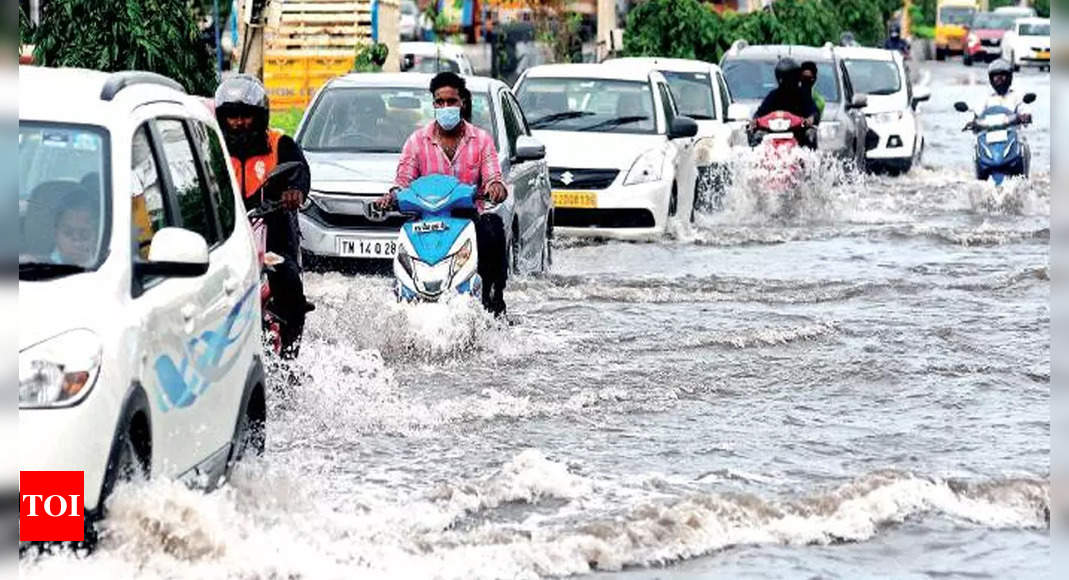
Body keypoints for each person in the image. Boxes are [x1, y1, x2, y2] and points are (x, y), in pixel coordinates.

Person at [375, 72, 510, 316]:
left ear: (462, 103)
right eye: (440, 102)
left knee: (494, 227)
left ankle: (494, 299)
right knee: (402, 256)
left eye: (451, 102)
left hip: (467, 222)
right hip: (424, 223)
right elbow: (402, 181)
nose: (445, 107)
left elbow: (493, 178)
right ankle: (402, 300)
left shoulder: (481, 141)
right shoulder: (416, 142)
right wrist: (390, 197)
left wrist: (495, 188)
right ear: (434, 104)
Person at [214, 74, 312, 360]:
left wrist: (293, 192)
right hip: (228, 233)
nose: (240, 123)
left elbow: (299, 172)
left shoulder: (281, 143)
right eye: (232, 117)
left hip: (274, 232)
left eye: (247, 116)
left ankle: (290, 356)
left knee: (289, 280)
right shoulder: (212, 148)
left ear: (261, 116)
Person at [751, 57, 819, 148]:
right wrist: (754, 121)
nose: (788, 83)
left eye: (790, 79)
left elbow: (814, 112)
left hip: (797, 134)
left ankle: (810, 160)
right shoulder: (773, 95)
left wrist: (810, 119)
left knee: (811, 134)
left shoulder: (802, 95)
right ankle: (757, 159)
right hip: (772, 134)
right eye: (785, 79)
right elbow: (760, 113)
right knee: (757, 136)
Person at [52, 190, 98, 266]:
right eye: (68, 233)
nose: (77, 243)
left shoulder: (107, 268)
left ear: (97, 237)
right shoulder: (39, 266)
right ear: (55, 235)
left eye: (84, 234)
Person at [981, 59, 1032, 125]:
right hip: (989, 132)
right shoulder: (986, 98)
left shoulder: (1017, 97)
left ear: (1009, 77)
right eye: (996, 76)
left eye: (1002, 76)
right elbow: (979, 114)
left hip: (1012, 132)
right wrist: (974, 122)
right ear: (991, 79)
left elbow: (1025, 111)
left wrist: (1025, 117)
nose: (999, 79)